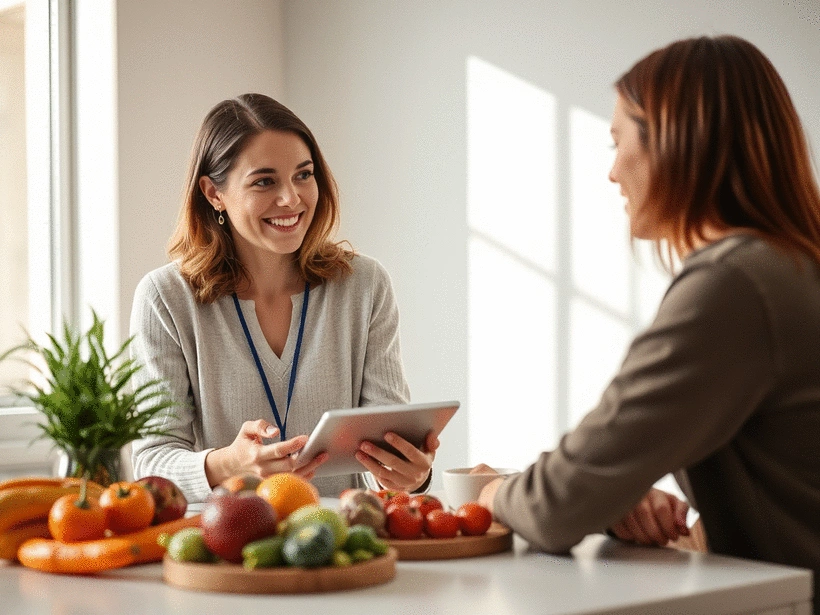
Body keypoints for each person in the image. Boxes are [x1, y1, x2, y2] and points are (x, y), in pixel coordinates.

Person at [478, 34, 820, 610]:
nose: (613, 173)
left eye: (618, 141)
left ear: (677, 141)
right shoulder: (791, 265)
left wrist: (490, 490)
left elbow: (557, 502)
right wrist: (619, 495)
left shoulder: (734, 285)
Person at [129, 93, 438, 503]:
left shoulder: (364, 285)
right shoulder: (166, 299)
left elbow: (383, 451)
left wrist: (409, 476)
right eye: (264, 181)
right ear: (213, 193)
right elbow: (150, 466)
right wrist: (229, 464)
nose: (291, 198)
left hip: (344, 544)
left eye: (303, 175)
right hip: (231, 548)